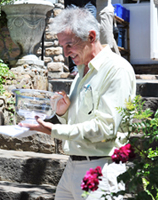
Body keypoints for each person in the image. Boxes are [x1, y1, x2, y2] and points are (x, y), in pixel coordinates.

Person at [20, 7, 136, 200]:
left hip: (102, 169)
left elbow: (104, 128)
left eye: (69, 45)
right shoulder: (82, 70)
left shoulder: (118, 70)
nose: (66, 53)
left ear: (91, 36)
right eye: (62, 47)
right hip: (72, 167)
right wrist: (64, 114)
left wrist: (53, 130)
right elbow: (79, 123)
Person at [63, 0, 97, 78]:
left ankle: (89, 67)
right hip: (72, 2)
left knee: (89, 33)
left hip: (89, 2)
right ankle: (75, 68)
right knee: (72, 32)